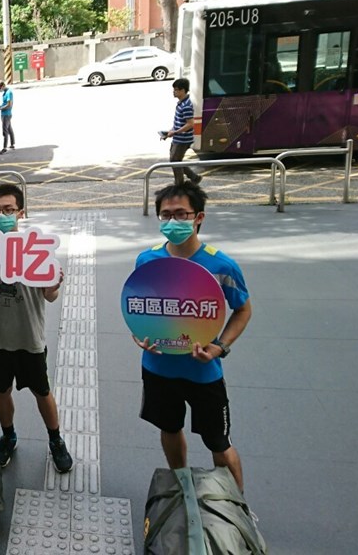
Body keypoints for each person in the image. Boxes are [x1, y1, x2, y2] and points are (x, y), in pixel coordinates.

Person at [132, 182, 251, 493]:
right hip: (158, 369)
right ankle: (183, 487)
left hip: (203, 373)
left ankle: (238, 508)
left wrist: (219, 347)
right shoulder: (147, 261)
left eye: (181, 214)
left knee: (219, 443)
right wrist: (139, 336)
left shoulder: (221, 265)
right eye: (165, 215)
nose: (173, 222)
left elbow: (242, 310)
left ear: (199, 217)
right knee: (170, 428)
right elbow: (141, 309)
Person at [0, 184, 73, 473]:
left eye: (8, 210)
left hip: (29, 338)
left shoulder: (37, 248)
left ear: (21, 213)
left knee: (42, 391)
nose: (2, 215)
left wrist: (54, 284)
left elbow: (50, 295)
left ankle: (56, 440)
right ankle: (8, 435)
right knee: (1, 390)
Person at [165, 78, 202, 185]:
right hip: (178, 138)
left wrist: (175, 132)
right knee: (176, 161)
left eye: (176, 90)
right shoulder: (181, 103)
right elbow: (179, 122)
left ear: (183, 90)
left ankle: (179, 185)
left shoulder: (186, 106)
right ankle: (194, 178)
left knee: (175, 162)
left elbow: (190, 124)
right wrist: (169, 132)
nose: (174, 92)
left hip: (183, 139)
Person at [0, 81, 15, 154]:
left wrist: (0, 108)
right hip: (4, 114)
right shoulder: (5, 93)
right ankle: (12, 144)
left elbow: (9, 105)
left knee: (5, 131)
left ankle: (4, 148)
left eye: (0, 88)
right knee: (9, 129)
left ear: (3, 86)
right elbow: (5, 103)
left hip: (6, 114)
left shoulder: (9, 92)